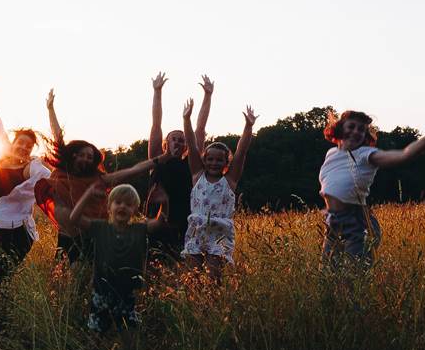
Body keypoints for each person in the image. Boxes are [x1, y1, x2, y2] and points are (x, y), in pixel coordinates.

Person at [35, 92, 171, 262]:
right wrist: (50, 109)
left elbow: (134, 170)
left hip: (93, 232)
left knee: (91, 271)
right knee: (65, 273)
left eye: (90, 157)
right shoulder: (62, 173)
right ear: (74, 155)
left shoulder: (99, 179)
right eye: (82, 155)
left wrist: (161, 159)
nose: (85, 159)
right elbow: (58, 137)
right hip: (68, 235)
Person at [320, 108, 425, 266]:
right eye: (351, 126)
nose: (356, 132)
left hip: (357, 221)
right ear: (340, 128)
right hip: (333, 221)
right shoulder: (331, 153)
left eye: (361, 130)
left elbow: (404, 154)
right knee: (328, 275)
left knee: (353, 277)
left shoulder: (366, 154)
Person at [0, 81, 51, 279]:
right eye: (21, 143)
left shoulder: (30, 167)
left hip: (17, 233)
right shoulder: (3, 156)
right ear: (12, 143)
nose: (23, 148)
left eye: (28, 146)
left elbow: (49, 177)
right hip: (1, 229)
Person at [64, 182, 170, 333]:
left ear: (134, 210)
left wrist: (164, 204)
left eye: (128, 204)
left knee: (127, 329)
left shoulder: (139, 229)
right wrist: (88, 194)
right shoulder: (99, 228)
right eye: (118, 202)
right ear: (109, 207)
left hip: (128, 290)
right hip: (102, 289)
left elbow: (160, 222)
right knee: (97, 329)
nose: (122, 207)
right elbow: (74, 218)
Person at [181, 98, 258, 278]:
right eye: (210, 159)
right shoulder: (197, 176)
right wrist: (186, 120)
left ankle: (212, 305)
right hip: (196, 231)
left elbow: (241, 152)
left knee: (213, 278)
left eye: (219, 160)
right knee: (193, 279)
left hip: (219, 233)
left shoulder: (229, 181)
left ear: (225, 163)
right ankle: (196, 306)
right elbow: (192, 146)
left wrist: (248, 127)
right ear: (204, 160)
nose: (214, 163)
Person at [144, 72, 194, 262]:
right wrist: (157, 91)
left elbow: (199, 134)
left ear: (186, 146)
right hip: (155, 222)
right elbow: (156, 124)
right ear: (166, 143)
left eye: (182, 140)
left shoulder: (190, 164)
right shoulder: (157, 159)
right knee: (153, 265)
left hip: (182, 223)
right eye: (174, 139)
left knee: (178, 267)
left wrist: (207, 98)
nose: (178, 142)